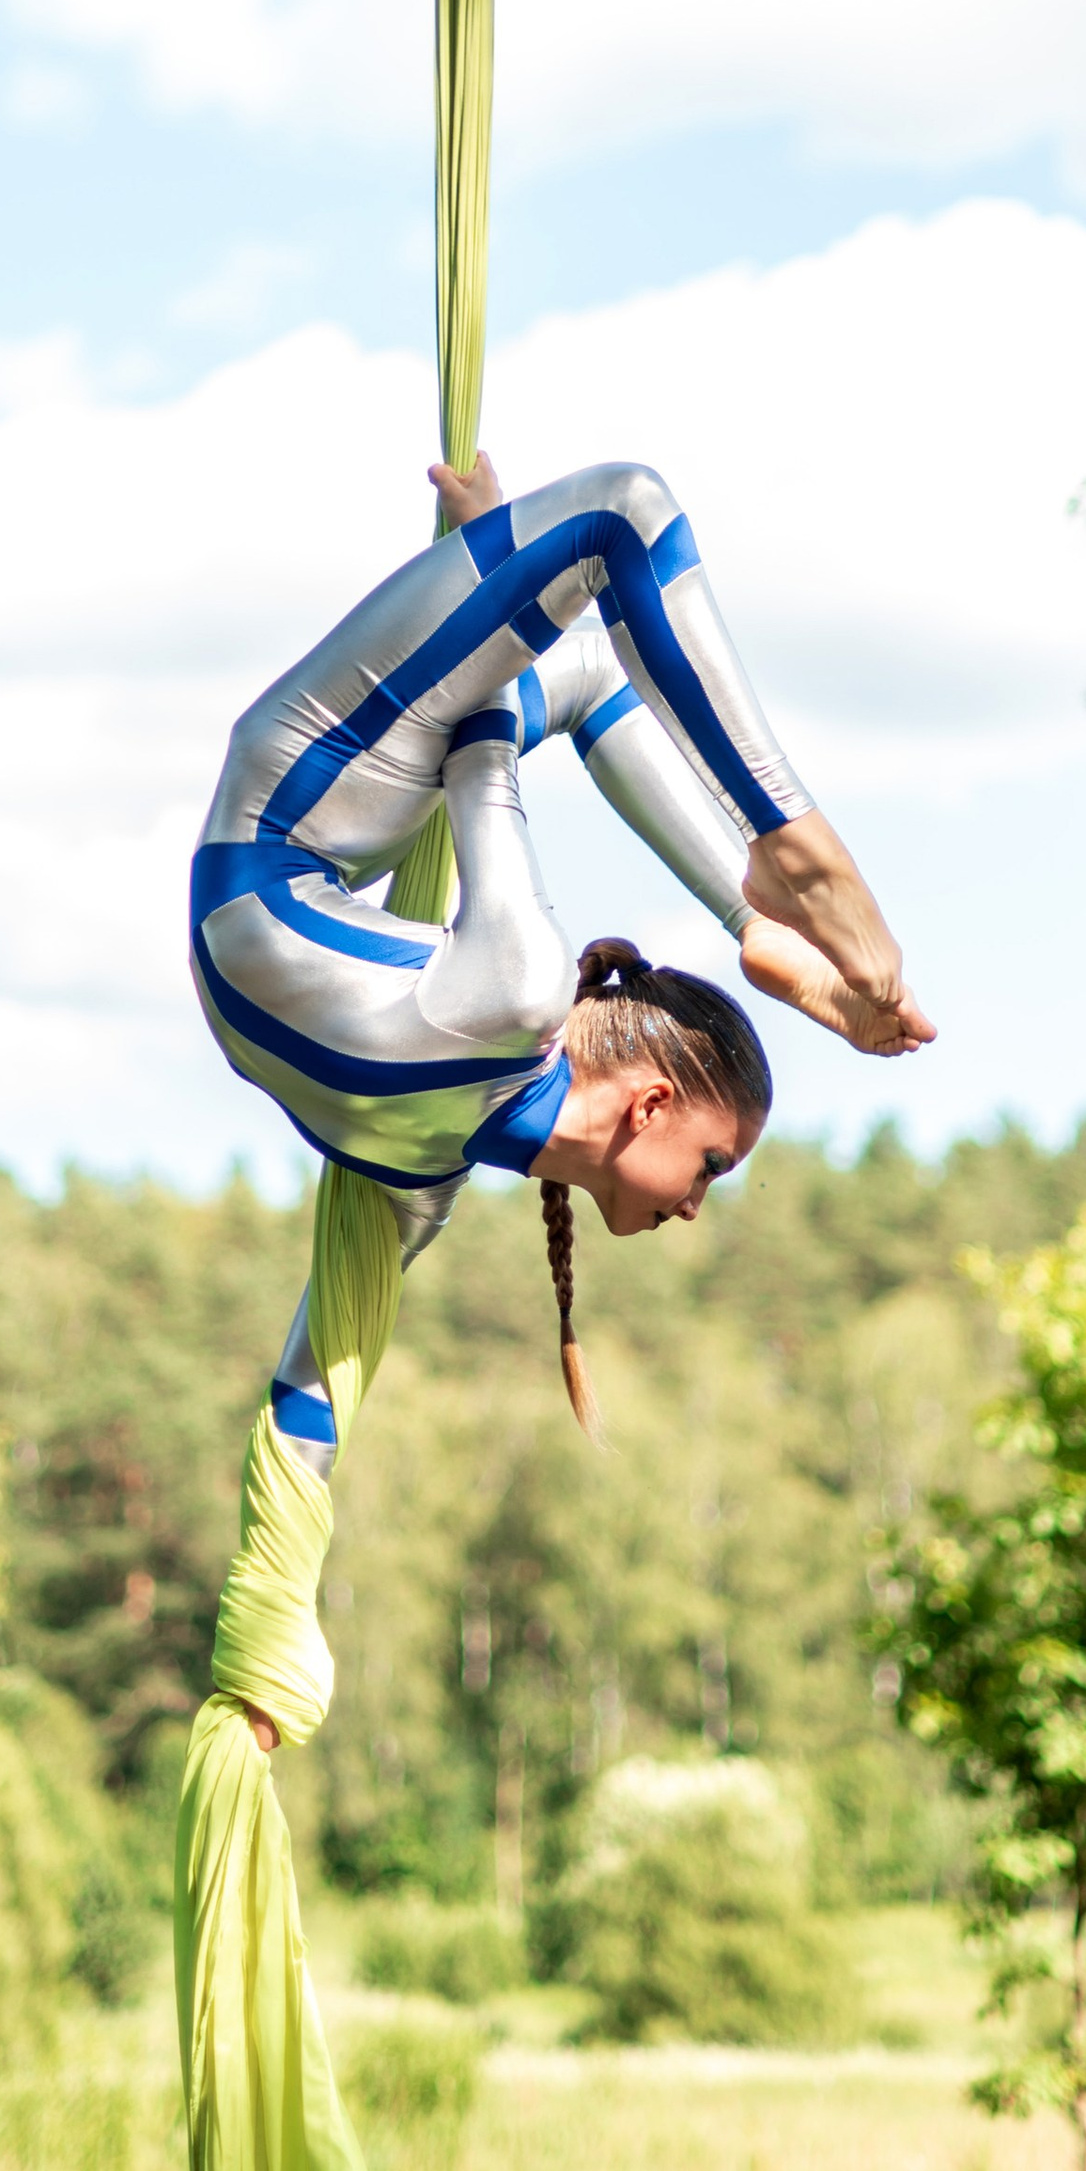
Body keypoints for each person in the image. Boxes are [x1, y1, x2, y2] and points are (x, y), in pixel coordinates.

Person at [192, 448, 932, 1670]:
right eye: (708, 1168)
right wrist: (486, 580)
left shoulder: (421, 1175)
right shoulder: (522, 984)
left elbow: (317, 1371)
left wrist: (274, 1615)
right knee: (622, 515)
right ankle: (785, 861)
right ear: (650, 1102)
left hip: (302, 828)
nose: (695, 1207)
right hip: (332, 783)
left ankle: (760, 913)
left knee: (597, 596)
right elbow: (477, 757)